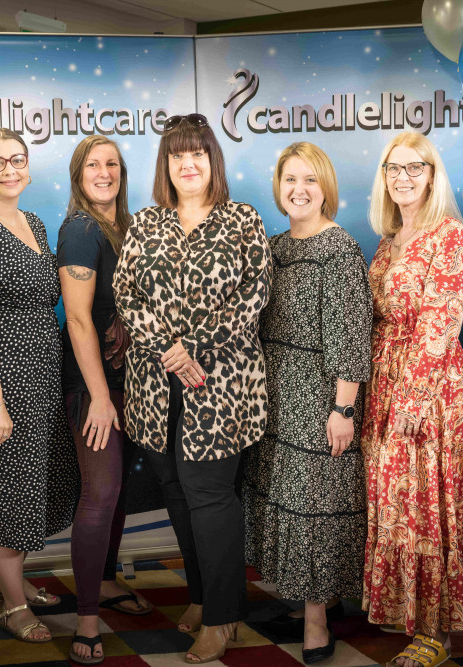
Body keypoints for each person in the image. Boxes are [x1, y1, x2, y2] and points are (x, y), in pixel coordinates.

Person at [112, 113, 272, 664]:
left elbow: (254, 294)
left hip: (221, 386)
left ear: (213, 161)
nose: (188, 164)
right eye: (177, 155)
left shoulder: (241, 220)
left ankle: (225, 618)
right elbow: (126, 296)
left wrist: (194, 347)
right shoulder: (146, 224)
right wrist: (165, 349)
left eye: (198, 153)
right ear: (166, 165)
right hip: (155, 391)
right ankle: (204, 598)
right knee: (177, 494)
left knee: (209, 495)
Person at [243, 142, 371, 664]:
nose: (299, 190)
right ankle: (302, 600)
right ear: (278, 186)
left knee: (317, 510)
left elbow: (351, 336)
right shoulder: (272, 247)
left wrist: (343, 410)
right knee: (284, 505)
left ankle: (318, 620)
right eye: (290, 179)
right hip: (273, 398)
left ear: (327, 189)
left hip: (320, 400)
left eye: (310, 180)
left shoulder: (338, 250)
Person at [0, 128, 79, 643]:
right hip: (7, 381)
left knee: (36, 488)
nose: (10, 171)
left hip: (45, 377)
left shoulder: (34, 222)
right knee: (13, 493)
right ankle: (13, 606)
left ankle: (8, 581)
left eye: (18, 160)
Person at [361, 131, 463, 667]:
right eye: (394, 168)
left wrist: (410, 398)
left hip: (425, 392)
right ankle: (406, 611)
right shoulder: (389, 240)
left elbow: (440, 323)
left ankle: (437, 631)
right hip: (384, 382)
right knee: (395, 504)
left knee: (426, 506)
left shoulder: (448, 236)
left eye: (415, 167)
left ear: (432, 175)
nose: (403, 177)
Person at [57, 135, 153, 665]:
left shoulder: (127, 226)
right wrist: (97, 396)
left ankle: (109, 580)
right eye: (93, 165)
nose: (104, 172)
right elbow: (76, 318)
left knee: (116, 493)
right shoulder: (79, 230)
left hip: (129, 385)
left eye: (112, 164)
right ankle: (87, 619)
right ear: (78, 174)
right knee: (99, 494)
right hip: (92, 388)